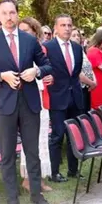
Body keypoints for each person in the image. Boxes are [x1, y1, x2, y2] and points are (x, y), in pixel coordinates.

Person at [0, 0, 54, 204]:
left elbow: (47, 66)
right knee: (7, 154)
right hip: (4, 105)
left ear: (17, 14)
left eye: (12, 13)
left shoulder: (29, 40)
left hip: (29, 103)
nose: (9, 17)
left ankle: (37, 195)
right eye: (4, 13)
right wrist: (1, 76)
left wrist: (35, 71)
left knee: (32, 152)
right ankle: (12, 199)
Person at [43, 14, 85, 183]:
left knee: (74, 135)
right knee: (58, 135)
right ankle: (54, 173)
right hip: (57, 97)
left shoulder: (77, 48)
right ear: (56, 28)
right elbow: (44, 69)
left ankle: (73, 170)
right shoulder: (48, 47)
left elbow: (76, 73)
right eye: (63, 25)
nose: (67, 28)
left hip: (75, 96)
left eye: (69, 25)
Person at [17, 18, 54, 193]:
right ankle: (29, 179)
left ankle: (38, 178)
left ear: (35, 32)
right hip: (26, 100)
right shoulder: (16, 51)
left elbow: (46, 70)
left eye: (27, 30)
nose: (23, 34)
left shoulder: (40, 49)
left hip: (41, 98)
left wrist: (47, 77)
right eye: (21, 30)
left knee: (41, 140)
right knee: (30, 141)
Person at [70, 27, 97, 110]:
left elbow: (89, 67)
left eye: (78, 35)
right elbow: (77, 72)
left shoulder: (81, 50)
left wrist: (94, 81)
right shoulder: (70, 51)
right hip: (79, 87)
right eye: (73, 35)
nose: (77, 37)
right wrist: (91, 83)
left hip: (87, 87)